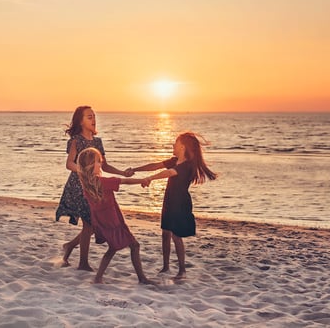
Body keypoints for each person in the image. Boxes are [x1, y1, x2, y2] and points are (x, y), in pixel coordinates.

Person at [130, 132, 217, 280]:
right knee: (165, 233)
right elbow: (155, 165)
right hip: (169, 200)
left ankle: (182, 270)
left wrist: (150, 178)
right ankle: (166, 266)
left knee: (176, 236)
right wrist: (135, 169)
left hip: (180, 203)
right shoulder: (174, 160)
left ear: (182, 147)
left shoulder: (187, 166)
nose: (173, 146)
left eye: (175, 143)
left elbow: (169, 173)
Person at [55, 106, 133, 271]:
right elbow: (69, 164)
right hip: (78, 186)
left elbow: (104, 166)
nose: (93, 119)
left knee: (93, 225)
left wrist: (122, 173)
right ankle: (82, 263)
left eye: (94, 116)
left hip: (94, 186)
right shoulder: (76, 140)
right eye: (89, 117)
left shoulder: (97, 142)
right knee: (89, 225)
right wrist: (85, 170)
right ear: (80, 121)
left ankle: (69, 246)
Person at [76, 147, 156, 285]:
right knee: (134, 246)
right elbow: (123, 181)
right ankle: (141, 278)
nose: (101, 165)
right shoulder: (101, 182)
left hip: (103, 221)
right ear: (90, 165)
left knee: (113, 248)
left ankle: (98, 278)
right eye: (98, 162)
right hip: (113, 221)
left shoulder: (87, 184)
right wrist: (142, 180)